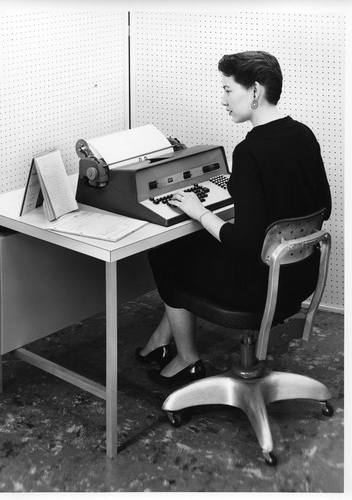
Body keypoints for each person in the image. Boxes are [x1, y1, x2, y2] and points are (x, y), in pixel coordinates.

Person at [135, 51, 332, 386]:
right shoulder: (303, 134)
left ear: (254, 91)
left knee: (166, 252)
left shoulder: (250, 151)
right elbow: (323, 208)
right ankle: (160, 341)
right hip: (299, 276)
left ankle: (186, 359)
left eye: (228, 91)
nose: (223, 100)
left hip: (257, 288)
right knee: (193, 243)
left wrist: (198, 211)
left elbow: (244, 243)